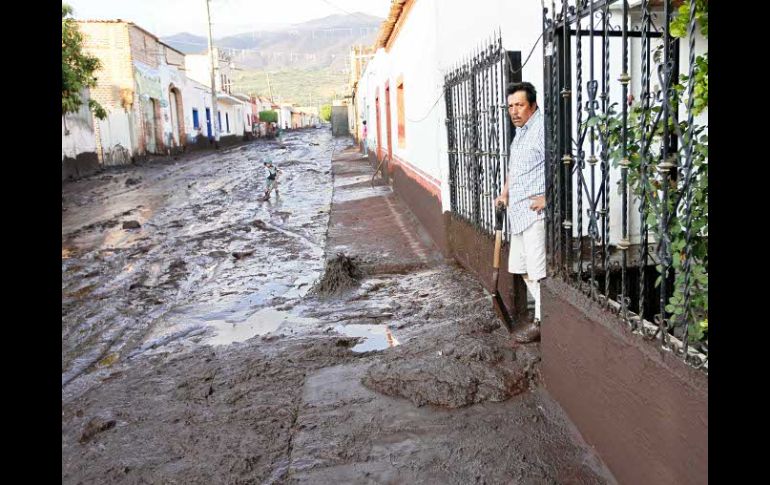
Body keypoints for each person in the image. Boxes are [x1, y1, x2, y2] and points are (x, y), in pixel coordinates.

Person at [494, 81, 546, 344]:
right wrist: (505, 193)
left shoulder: (543, 129)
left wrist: (548, 198)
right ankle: (547, 313)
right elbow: (515, 169)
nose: (514, 111)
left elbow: (565, 164)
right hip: (518, 214)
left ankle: (541, 322)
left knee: (537, 270)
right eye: (511, 106)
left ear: (533, 105)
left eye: (519, 105)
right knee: (522, 268)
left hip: (535, 214)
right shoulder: (522, 132)